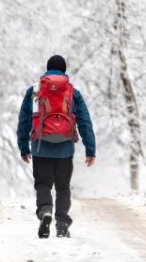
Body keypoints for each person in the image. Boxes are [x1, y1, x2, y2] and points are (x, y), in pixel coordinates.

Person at [17, 54, 96, 238]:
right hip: (65, 149)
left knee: (43, 184)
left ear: (47, 69)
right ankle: (62, 224)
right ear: (64, 71)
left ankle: (45, 211)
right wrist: (90, 149)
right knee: (63, 186)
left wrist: (23, 147)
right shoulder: (72, 92)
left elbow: (23, 121)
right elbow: (85, 122)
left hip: (40, 147)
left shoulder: (35, 91)